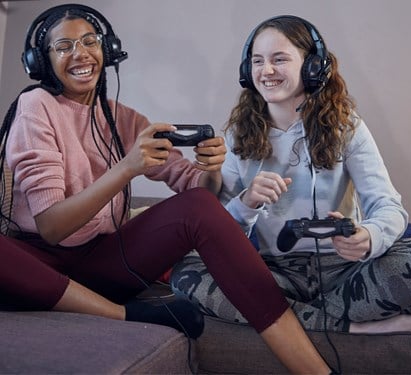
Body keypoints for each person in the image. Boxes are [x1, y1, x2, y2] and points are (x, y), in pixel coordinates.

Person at [0, 5, 331, 374]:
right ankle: (121, 314)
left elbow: (200, 196)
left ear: (105, 49)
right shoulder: (35, 106)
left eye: (89, 41)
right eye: (63, 46)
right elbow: (51, 227)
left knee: (197, 208)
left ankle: (315, 371)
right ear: (41, 61)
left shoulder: (122, 117)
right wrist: (127, 168)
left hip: (105, 265)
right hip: (40, 265)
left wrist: (210, 169)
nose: (80, 53)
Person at [171, 15, 411, 334]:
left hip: (345, 271)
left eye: (279, 60)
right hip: (273, 274)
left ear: (313, 67)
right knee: (186, 273)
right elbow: (221, 236)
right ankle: (350, 327)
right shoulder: (237, 137)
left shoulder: (348, 128)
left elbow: (389, 207)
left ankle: (291, 321)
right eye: (257, 61)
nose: (266, 71)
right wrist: (246, 202)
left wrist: (369, 238)